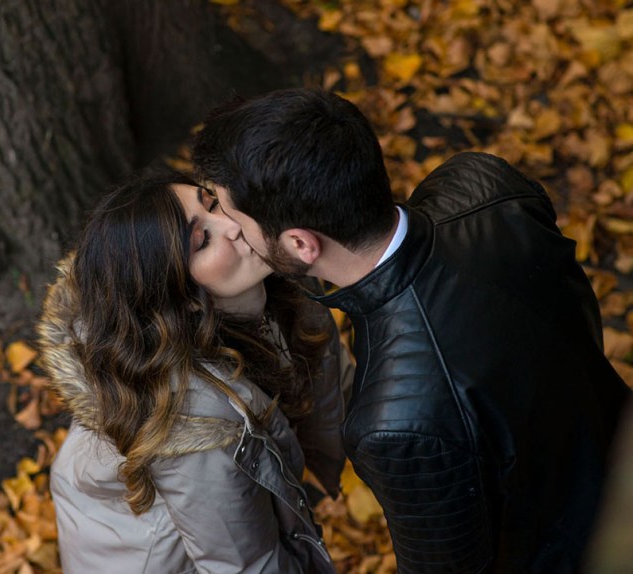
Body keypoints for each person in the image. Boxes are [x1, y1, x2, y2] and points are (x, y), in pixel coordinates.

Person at [191, 87, 632, 573]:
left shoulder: (394, 421)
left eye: (233, 214)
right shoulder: (483, 179)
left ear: (301, 243)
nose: (228, 227)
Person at [37, 170, 354, 573]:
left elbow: (341, 393)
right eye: (203, 241)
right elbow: (250, 564)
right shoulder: (195, 421)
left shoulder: (269, 286)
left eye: (213, 202)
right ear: (178, 297)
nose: (233, 225)